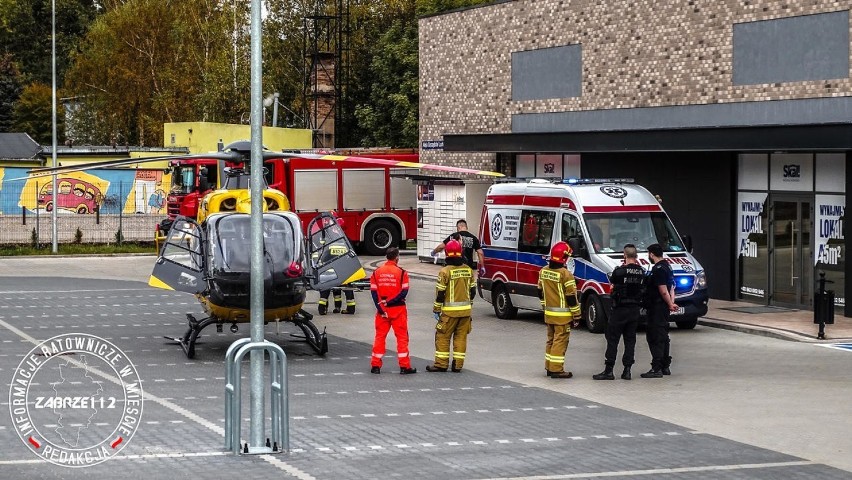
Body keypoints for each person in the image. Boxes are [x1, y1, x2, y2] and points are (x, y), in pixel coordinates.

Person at [593, 244, 645, 381]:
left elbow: (613, 286)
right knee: (630, 340)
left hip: (620, 310)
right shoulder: (642, 272)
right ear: (636, 256)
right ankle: (627, 370)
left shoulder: (619, 272)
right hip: (634, 310)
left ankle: (609, 370)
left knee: (612, 339)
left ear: (624, 255)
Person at [426, 239, 475, 373]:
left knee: (442, 336)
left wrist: (436, 309)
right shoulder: (468, 270)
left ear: (447, 253)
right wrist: (469, 305)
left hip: (449, 313)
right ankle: (458, 365)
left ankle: (441, 364)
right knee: (461, 338)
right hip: (465, 313)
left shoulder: (445, 271)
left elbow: (440, 293)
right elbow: (473, 291)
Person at [369, 247, 416, 375]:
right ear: (397, 258)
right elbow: (404, 292)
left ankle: (375, 365)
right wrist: (390, 302)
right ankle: (404, 366)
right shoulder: (402, 273)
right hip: (398, 310)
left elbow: (374, 293)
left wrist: (381, 307)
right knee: (402, 338)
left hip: (382, 311)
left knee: (379, 337)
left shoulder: (376, 272)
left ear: (386, 257)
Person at [538, 241, 582, 379]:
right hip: (563, 316)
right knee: (560, 341)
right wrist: (577, 315)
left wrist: (544, 306)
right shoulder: (566, 274)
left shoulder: (543, 270)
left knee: (551, 340)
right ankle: (557, 370)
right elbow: (570, 297)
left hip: (549, 313)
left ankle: (549, 367)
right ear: (564, 258)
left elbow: (540, 291)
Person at [641, 243, 679, 378]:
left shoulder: (658, 269)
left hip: (657, 307)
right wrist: (672, 303)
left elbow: (663, 290)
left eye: (648, 254)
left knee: (654, 336)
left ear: (651, 254)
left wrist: (669, 303)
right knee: (663, 335)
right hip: (663, 307)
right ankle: (665, 366)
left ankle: (656, 368)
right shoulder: (667, 266)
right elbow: (672, 287)